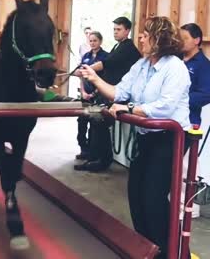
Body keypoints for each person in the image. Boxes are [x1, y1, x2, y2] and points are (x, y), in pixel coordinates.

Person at [80, 16, 191, 259]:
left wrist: (129, 110)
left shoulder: (175, 68)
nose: (140, 37)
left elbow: (165, 106)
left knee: (153, 198)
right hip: (146, 137)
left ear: (160, 38)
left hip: (169, 138)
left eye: (145, 33)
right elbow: (119, 92)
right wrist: (95, 79)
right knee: (136, 197)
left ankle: (170, 253)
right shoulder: (141, 65)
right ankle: (147, 250)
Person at [74, 16, 141, 172]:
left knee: (99, 122)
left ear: (127, 30)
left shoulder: (127, 48)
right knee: (94, 122)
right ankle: (93, 156)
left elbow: (105, 63)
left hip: (118, 95)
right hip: (110, 93)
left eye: (118, 29)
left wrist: (86, 71)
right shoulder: (118, 47)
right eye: (114, 29)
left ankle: (102, 160)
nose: (115, 32)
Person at [179, 23, 210, 219]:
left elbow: (206, 94)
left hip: (190, 121)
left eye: (185, 38)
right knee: (172, 163)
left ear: (197, 40)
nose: (180, 42)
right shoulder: (176, 61)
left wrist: (179, 99)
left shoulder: (203, 65)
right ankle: (174, 201)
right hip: (171, 119)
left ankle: (188, 206)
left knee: (186, 165)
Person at [76, 31, 108, 159]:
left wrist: (94, 93)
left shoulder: (105, 57)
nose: (93, 43)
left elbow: (106, 79)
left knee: (94, 124)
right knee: (81, 122)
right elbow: (82, 77)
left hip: (98, 96)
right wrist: (83, 92)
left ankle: (92, 152)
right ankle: (83, 149)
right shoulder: (86, 56)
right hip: (85, 96)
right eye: (91, 41)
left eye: (95, 40)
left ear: (100, 41)